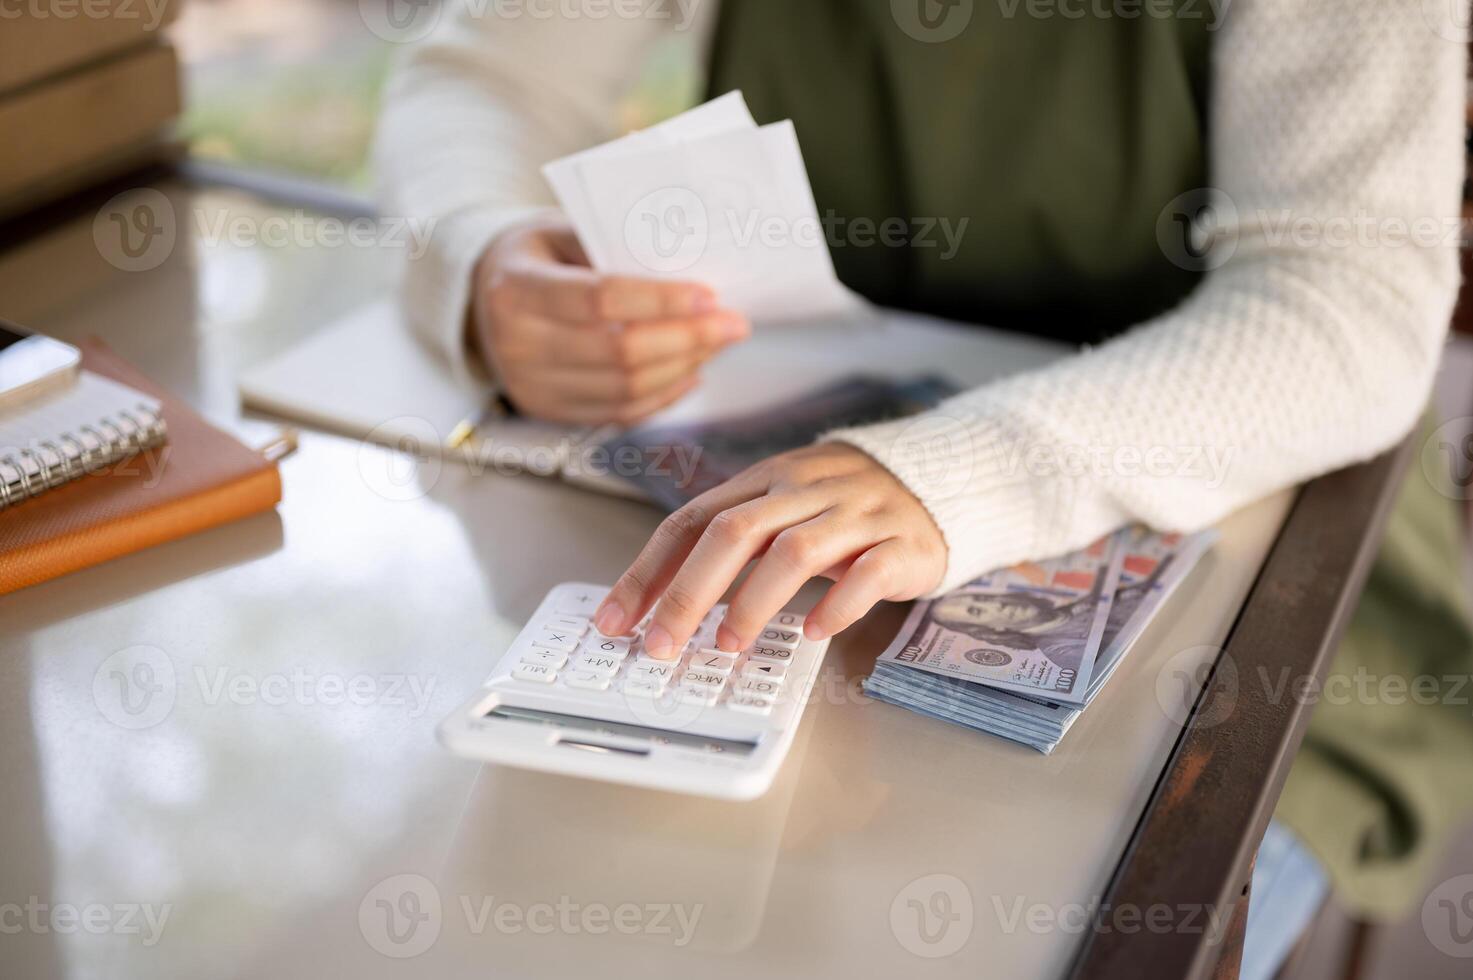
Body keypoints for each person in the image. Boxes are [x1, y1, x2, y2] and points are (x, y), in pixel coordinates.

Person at [377, 0, 1473, 961]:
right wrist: (485, 258)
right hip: (801, 543)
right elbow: (478, 80)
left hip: (1274, 616)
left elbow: (1347, 305)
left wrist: (963, 470)